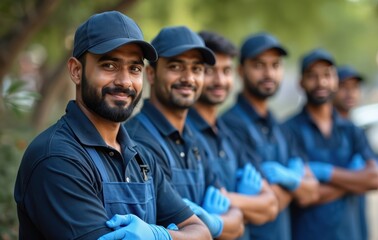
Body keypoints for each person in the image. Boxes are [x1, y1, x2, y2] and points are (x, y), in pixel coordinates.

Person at [14, 11, 211, 240]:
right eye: (109, 65)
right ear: (76, 71)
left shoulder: (141, 157)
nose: (124, 81)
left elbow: (202, 233)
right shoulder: (56, 158)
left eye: (134, 68)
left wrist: (161, 236)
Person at [125, 26, 244, 239]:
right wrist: (211, 224)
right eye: (176, 67)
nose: (188, 78)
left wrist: (215, 223)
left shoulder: (194, 139)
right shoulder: (137, 141)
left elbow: (238, 223)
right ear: (151, 74)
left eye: (197, 69)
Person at [220, 33, 319, 240]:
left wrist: (291, 185)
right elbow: (267, 203)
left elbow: (312, 192)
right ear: (240, 70)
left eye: (275, 65)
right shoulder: (229, 125)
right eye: (259, 65)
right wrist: (294, 184)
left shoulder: (281, 127)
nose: (268, 73)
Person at [187, 31, 279, 240]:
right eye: (211, 71)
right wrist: (248, 202)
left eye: (226, 71)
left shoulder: (227, 133)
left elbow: (271, 205)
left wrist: (227, 199)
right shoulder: (185, 134)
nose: (220, 80)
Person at [282, 49, 378, 240]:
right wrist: (355, 180)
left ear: (336, 80)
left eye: (327, 75)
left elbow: (375, 179)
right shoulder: (288, 131)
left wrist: (326, 173)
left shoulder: (352, 130)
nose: (320, 82)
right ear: (300, 82)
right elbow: (304, 196)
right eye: (312, 76)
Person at [334, 65, 378, 240]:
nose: (350, 93)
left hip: (356, 219)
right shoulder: (326, 131)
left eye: (354, 88)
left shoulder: (356, 130)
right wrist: (359, 178)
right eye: (344, 87)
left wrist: (342, 179)